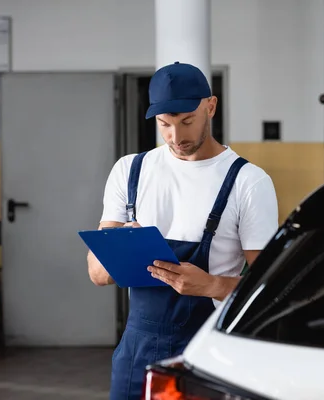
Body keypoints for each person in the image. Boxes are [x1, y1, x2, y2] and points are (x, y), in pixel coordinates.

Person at [87, 62, 279, 400]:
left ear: (211, 106)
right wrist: (119, 247)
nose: (176, 137)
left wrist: (212, 285)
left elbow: (269, 290)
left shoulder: (248, 182)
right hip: (137, 350)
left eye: (187, 121)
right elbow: (98, 275)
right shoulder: (129, 171)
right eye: (165, 125)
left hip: (208, 350)